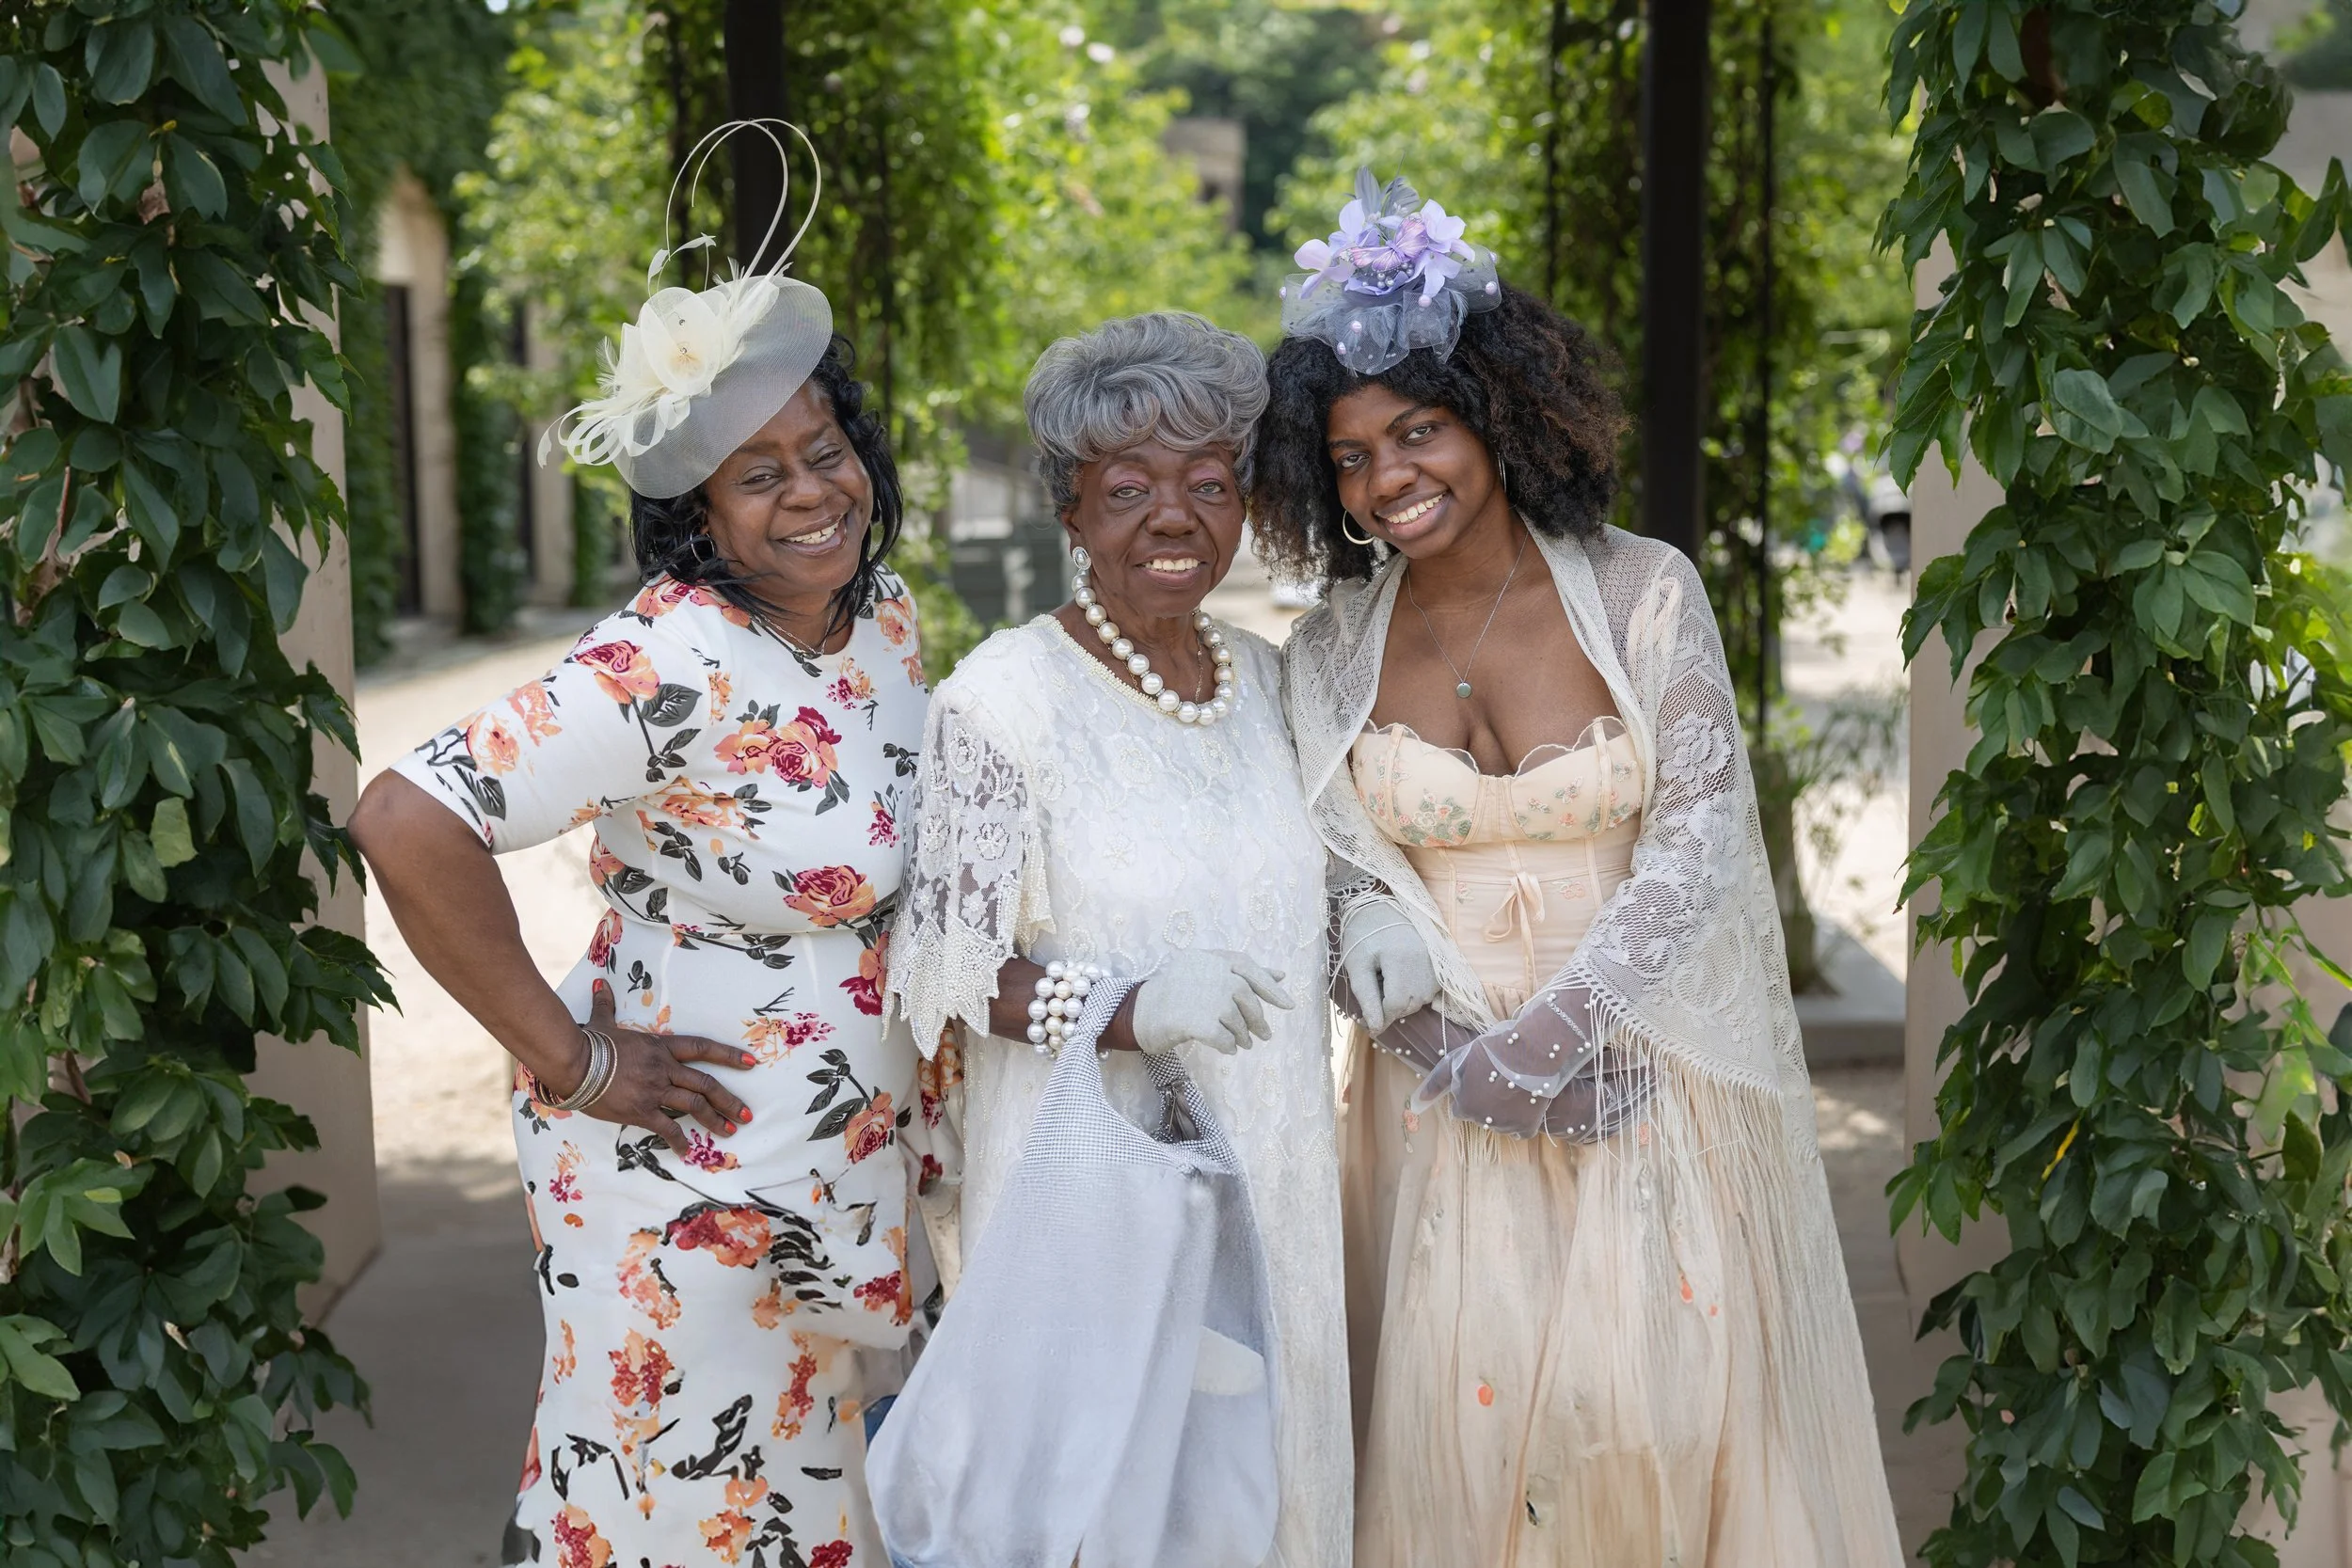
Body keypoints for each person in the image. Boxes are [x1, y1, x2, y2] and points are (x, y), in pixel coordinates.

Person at [1257, 170, 1904, 1566]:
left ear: (1493, 413)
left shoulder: (1640, 590)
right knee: (1460, 1446)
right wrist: (1447, 1043)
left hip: (1636, 1071)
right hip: (1435, 1105)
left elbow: (1695, 843)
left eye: (1416, 432)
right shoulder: (1328, 646)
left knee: (1647, 1420)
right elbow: (1329, 875)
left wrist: (1555, 1042)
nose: (1387, 479)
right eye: (1352, 455)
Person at [349, 124, 940, 1568]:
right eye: (757, 476)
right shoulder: (661, 660)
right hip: (684, 1182)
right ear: (697, 514)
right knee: (681, 1514)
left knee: (816, 1515)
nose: (812, 491)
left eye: (825, 448)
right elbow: (404, 814)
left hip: (841, 1170)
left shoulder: (889, 620)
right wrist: (574, 1055)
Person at [887, 311, 1352, 1565]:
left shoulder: (1271, 681)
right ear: (1072, 511)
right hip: (1092, 1195)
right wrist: (1130, 1008)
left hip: (1282, 1169)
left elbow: (1325, 883)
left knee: (1276, 1496)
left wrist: (1376, 935)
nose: (1174, 515)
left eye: (1210, 483)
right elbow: (949, 969)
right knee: (1120, 1508)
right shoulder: (1000, 699)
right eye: (1129, 486)